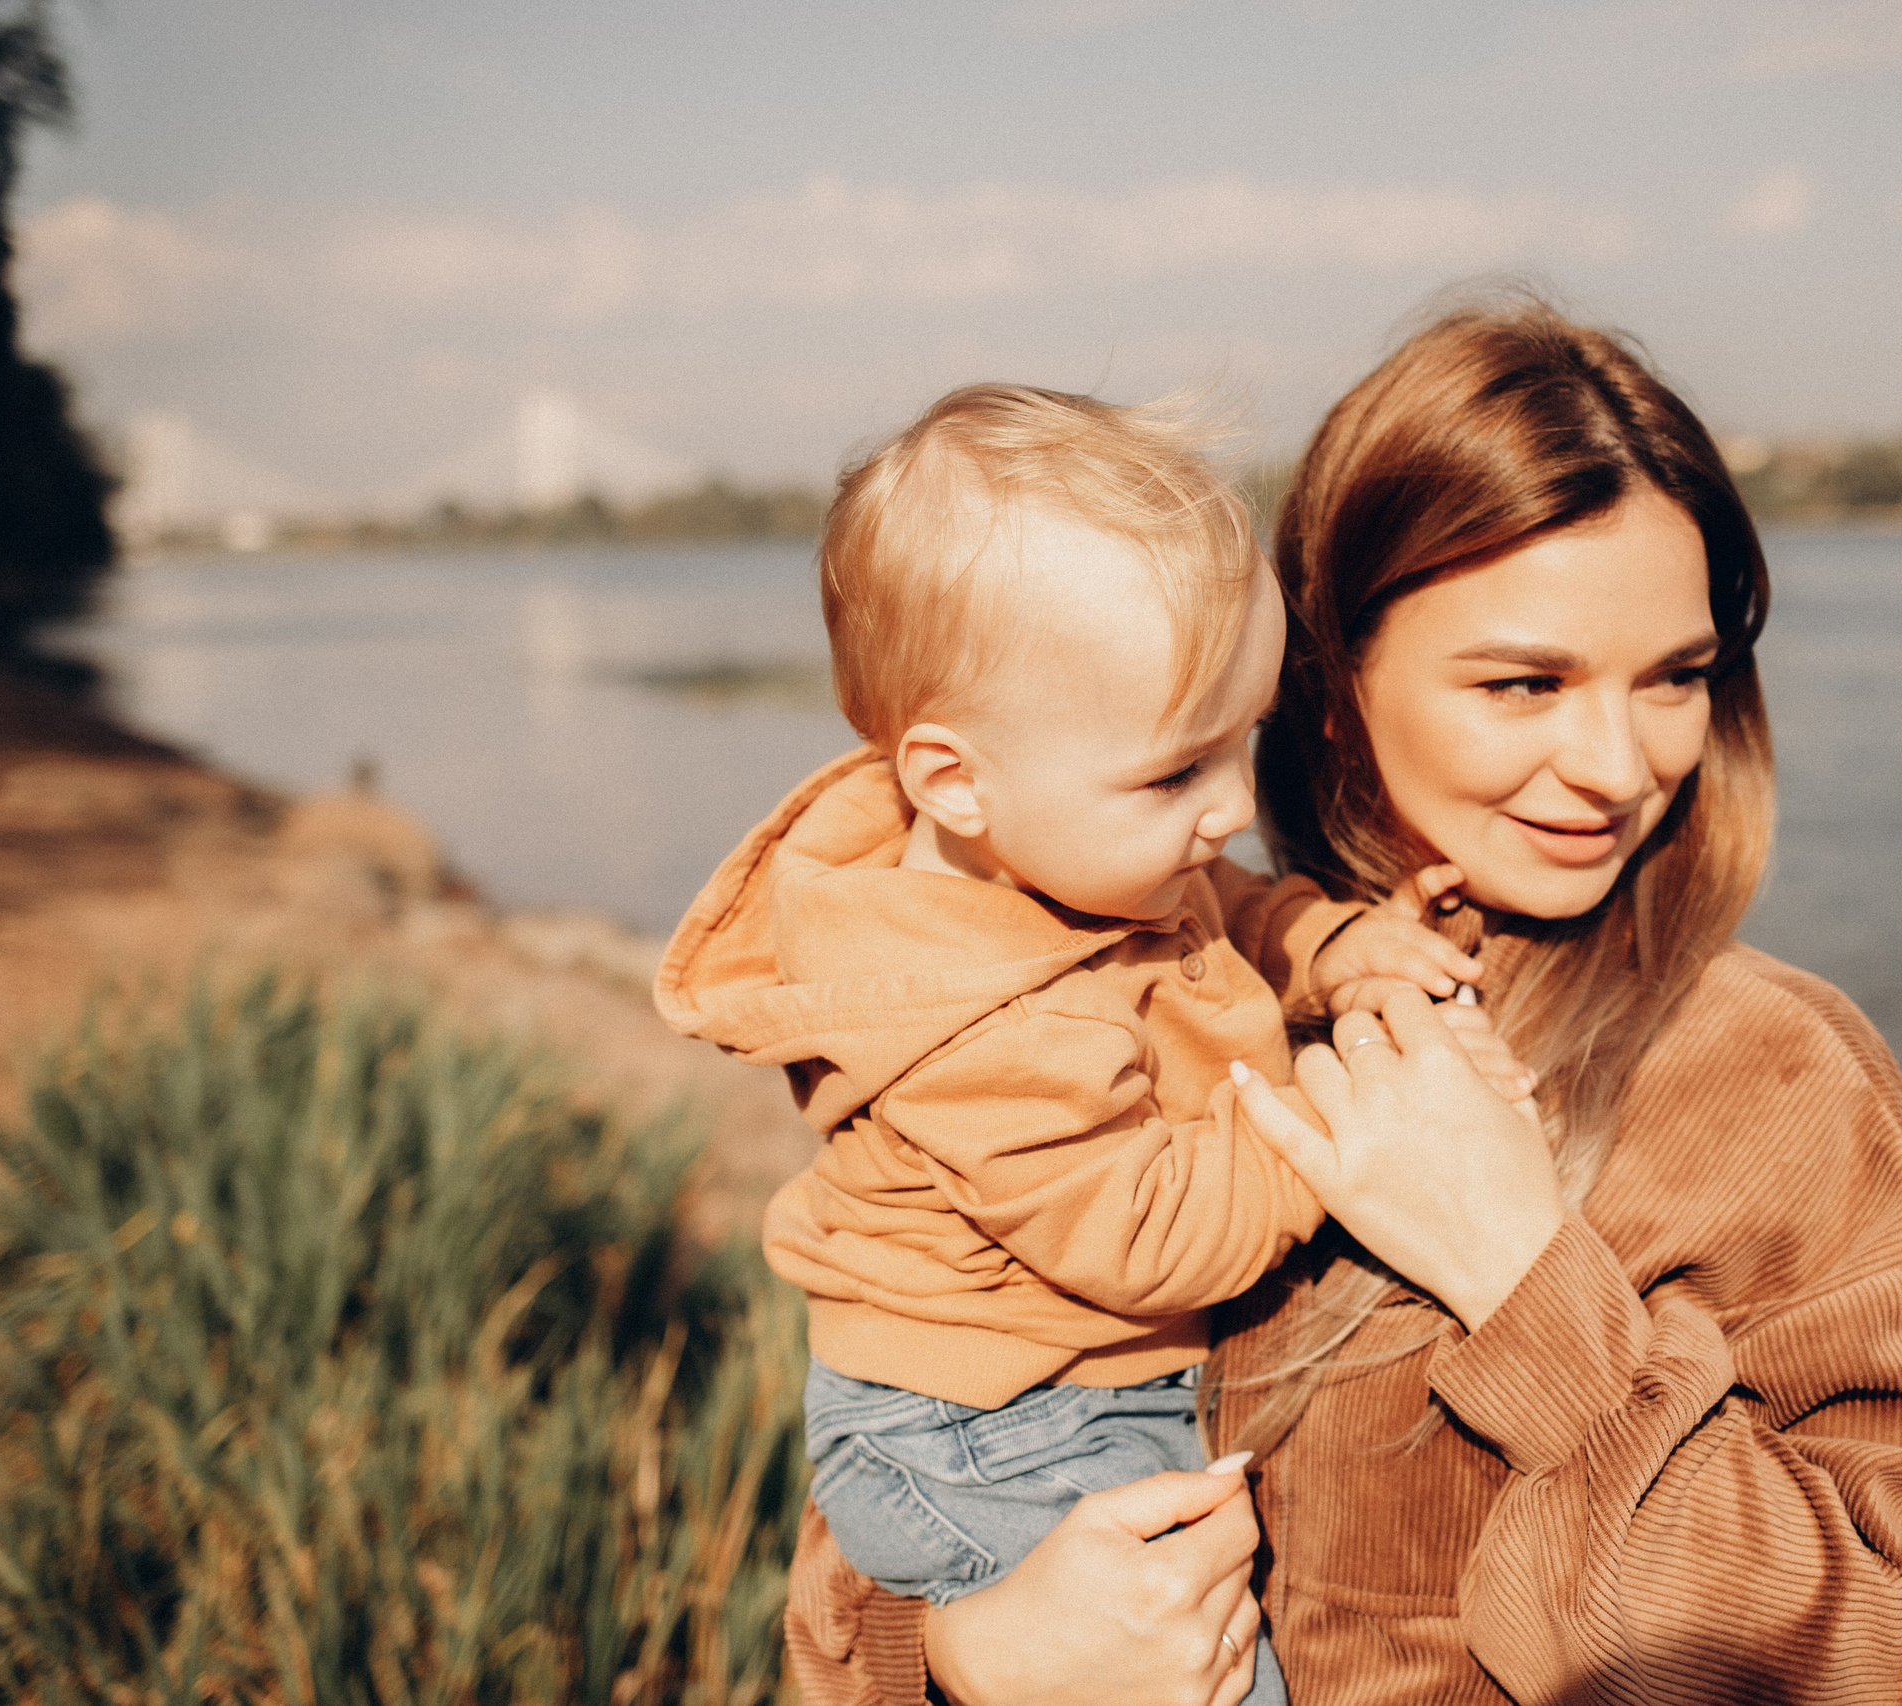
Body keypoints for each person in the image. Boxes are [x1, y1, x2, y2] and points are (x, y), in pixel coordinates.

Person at [774, 301, 1902, 1706]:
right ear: (1328, 688)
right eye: (1525, 681)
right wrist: (973, 1659)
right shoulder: (1157, 973)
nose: (1620, 764)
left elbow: (1867, 1658)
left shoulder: (1769, 1075)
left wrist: (1522, 1277)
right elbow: (901, 1495)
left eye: (1678, 675)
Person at [654, 383, 1528, 1706]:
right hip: (988, 1436)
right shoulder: (979, 1020)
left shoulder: (1073, 848)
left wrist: (1327, 946)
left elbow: (1217, 906)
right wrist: (1341, 1116)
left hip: (1054, 1388)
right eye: (1179, 773)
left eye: (1245, 745)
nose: (1233, 807)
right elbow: (1152, 1234)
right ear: (953, 779)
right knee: (1213, 1676)